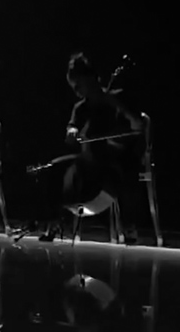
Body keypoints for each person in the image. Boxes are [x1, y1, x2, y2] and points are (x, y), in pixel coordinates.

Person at [26, 53, 144, 241]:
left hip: (116, 159)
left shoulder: (118, 98)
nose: (76, 91)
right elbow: (72, 125)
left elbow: (137, 126)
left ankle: (129, 226)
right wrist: (72, 131)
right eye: (73, 87)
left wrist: (117, 105)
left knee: (129, 171)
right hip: (89, 160)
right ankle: (54, 223)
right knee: (52, 169)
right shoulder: (81, 108)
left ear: (91, 79)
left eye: (78, 85)